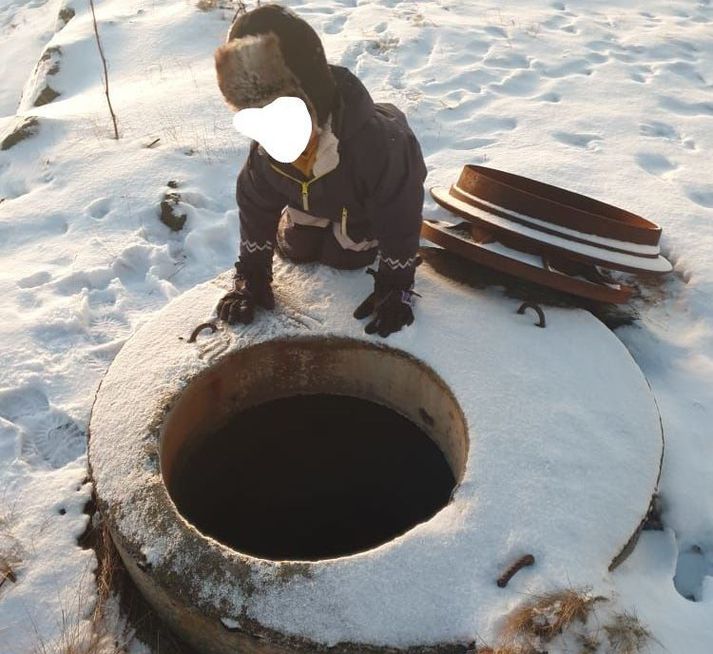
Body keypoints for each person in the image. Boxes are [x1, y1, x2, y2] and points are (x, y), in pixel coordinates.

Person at [214, 3, 428, 337]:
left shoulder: (378, 146)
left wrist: (395, 283)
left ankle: (348, 234)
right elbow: (255, 203)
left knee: (345, 256)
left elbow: (399, 212)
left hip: (359, 208)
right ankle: (313, 220)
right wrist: (251, 279)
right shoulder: (269, 146)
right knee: (299, 249)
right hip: (313, 198)